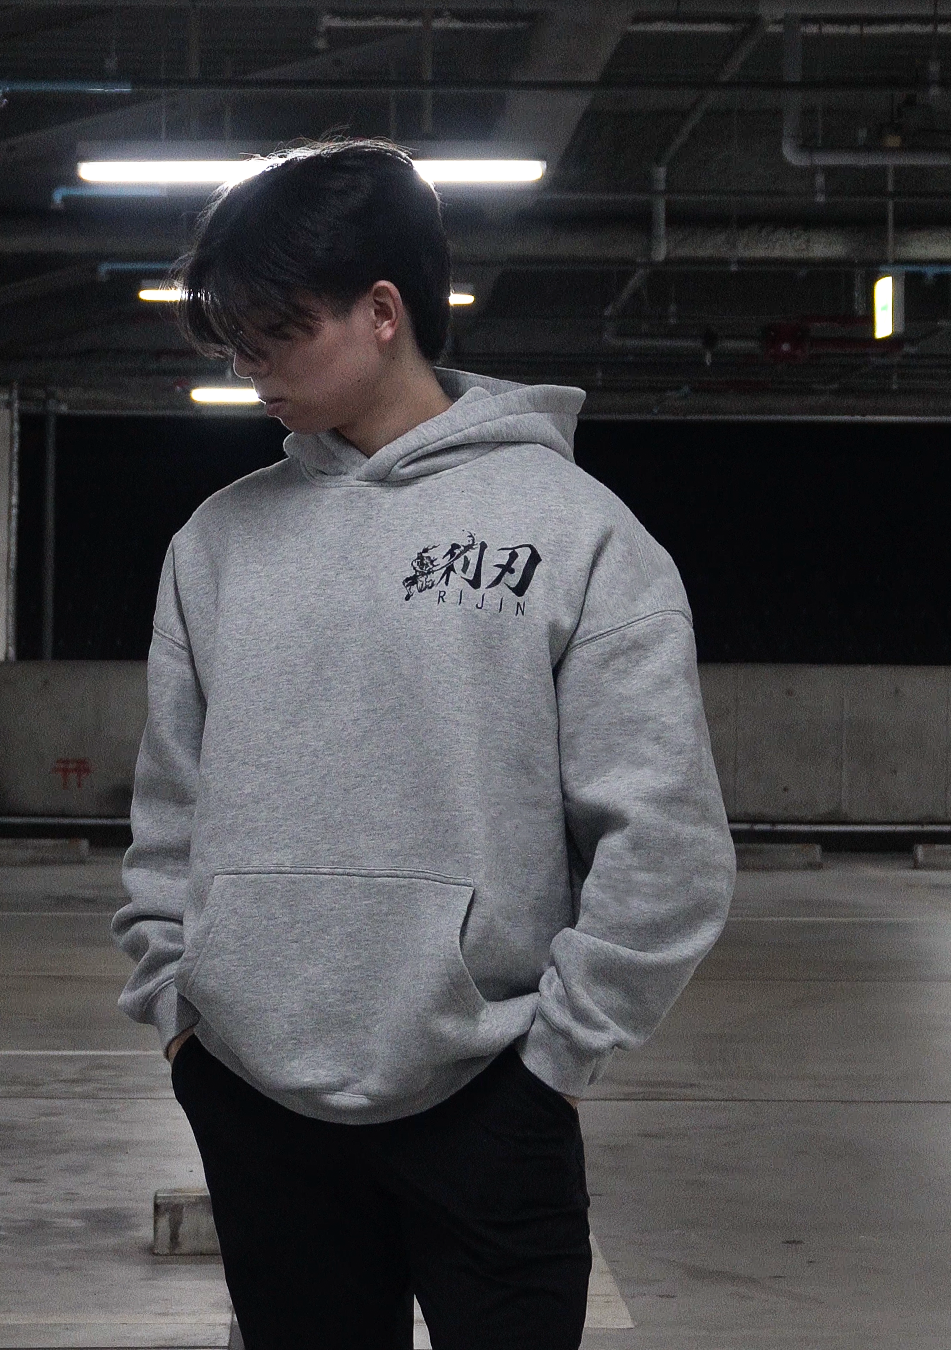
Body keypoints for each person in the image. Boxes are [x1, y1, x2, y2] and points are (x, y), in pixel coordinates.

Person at [110, 136, 735, 1350]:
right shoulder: (217, 544)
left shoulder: (576, 534)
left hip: (492, 1101)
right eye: (233, 344)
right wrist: (182, 1015)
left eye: (274, 335)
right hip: (253, 1099)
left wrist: (555, 1061)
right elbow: (169, 810)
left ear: (382, 311)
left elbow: (666, 844)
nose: (249, 370)